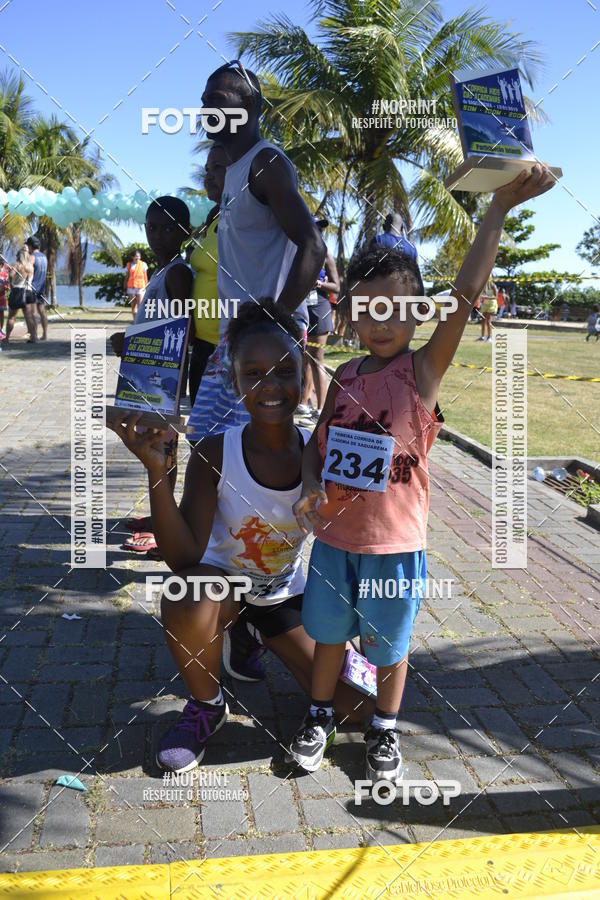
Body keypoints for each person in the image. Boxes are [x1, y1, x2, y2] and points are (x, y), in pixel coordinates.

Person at [286, 166, 555, 782]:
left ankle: (384, 727)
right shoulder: (343, 378)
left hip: (394, 547)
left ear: (416, 313)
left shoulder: (420, 375)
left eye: (398, 309)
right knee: (328, 636)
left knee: (389, 645)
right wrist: (308, 485)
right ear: (349, 312)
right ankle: (320, 714)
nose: (383, 322)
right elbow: (317, 448)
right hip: (332, 542)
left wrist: (497, 211)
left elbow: (463, 298)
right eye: (369, 309)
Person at [108, 299, 373, 773]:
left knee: (360, 709)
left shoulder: (324, 451)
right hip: (220, 585)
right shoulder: (215, 450)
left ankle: (252, 637)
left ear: (303, 377)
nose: (270, 385)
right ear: (235, 383)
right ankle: (207, 705)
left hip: (281, 596)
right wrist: (157, 471)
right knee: (187, 593)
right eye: (253, 374)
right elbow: (183, 555)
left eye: (283, 371)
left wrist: (349, 628)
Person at [187, 60, 326, 441]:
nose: (205, 111)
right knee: (207, 441)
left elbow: (313, 246)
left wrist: (274, 320)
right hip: (237, 333)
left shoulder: (266, 163)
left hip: (265, 336)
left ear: (249, 106)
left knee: (252, 452)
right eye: (203, 102)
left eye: (216, 100)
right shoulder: (231, 170)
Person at [110, 196, 194, 557]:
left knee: (162, 449)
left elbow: (179, 332)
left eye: (167, 228)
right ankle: (162, 516)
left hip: (165, 381)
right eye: (151, 227)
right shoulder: (162, 270)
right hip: (152, 378)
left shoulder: (177, 272)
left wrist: (130, 342)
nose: (157, 235)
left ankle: (165, 529)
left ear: (185, 232)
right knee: (156, 448)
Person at [187, 144, 228, 406]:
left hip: (227, 349)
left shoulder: (250, 219)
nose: (208, 177)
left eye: (218, 168)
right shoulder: (215, 217)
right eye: (207, 170)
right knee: (198, 436)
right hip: (202, 347)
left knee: (224, 439)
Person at [297, 215, 341, 420]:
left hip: (320, 308)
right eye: (315, 227)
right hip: (302, 308)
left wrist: (319, 284)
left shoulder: (325, 254)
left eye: (321, 229)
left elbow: (337, 286)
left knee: (317, 360)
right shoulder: (299, 250)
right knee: (305, 357)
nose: (318, 231)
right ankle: (304, 403)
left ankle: (322, 408)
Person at [3, 248, 36, 345]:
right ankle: (33, 337)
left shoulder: (17, 265)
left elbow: (11, 275)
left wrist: (10, 283)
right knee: (29, 317)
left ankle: (7, 338)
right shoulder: (30, 267)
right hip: (28, 292)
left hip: (17, 291)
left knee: (11, 317)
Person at [26, 237, 48, 341]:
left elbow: (28, 271)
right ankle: (45, 334)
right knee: (42, 312)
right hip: (42, 289)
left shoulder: (32, 257)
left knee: (33, 313)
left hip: (34, 288)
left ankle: (34, 336)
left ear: (30, 246)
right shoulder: (44, 257)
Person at [123, 250, 148, 320]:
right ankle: (135, 322)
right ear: (132, 257)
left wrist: (147, 286)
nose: (138, 257)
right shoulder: (129, 265)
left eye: (139, 256)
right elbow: (127, 277)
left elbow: (145, 276)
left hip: (141, 287)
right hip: (131, 288)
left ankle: (140, 321)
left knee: (141, 306)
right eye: (136, 256)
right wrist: (124, 288)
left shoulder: (143, 264)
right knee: (133, 307)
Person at [0, 260, 10, 339]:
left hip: (2, 297)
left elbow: (6, 287)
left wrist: (7, 285)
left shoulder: (4, 275)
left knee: (2, 314)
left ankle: (1, 329)